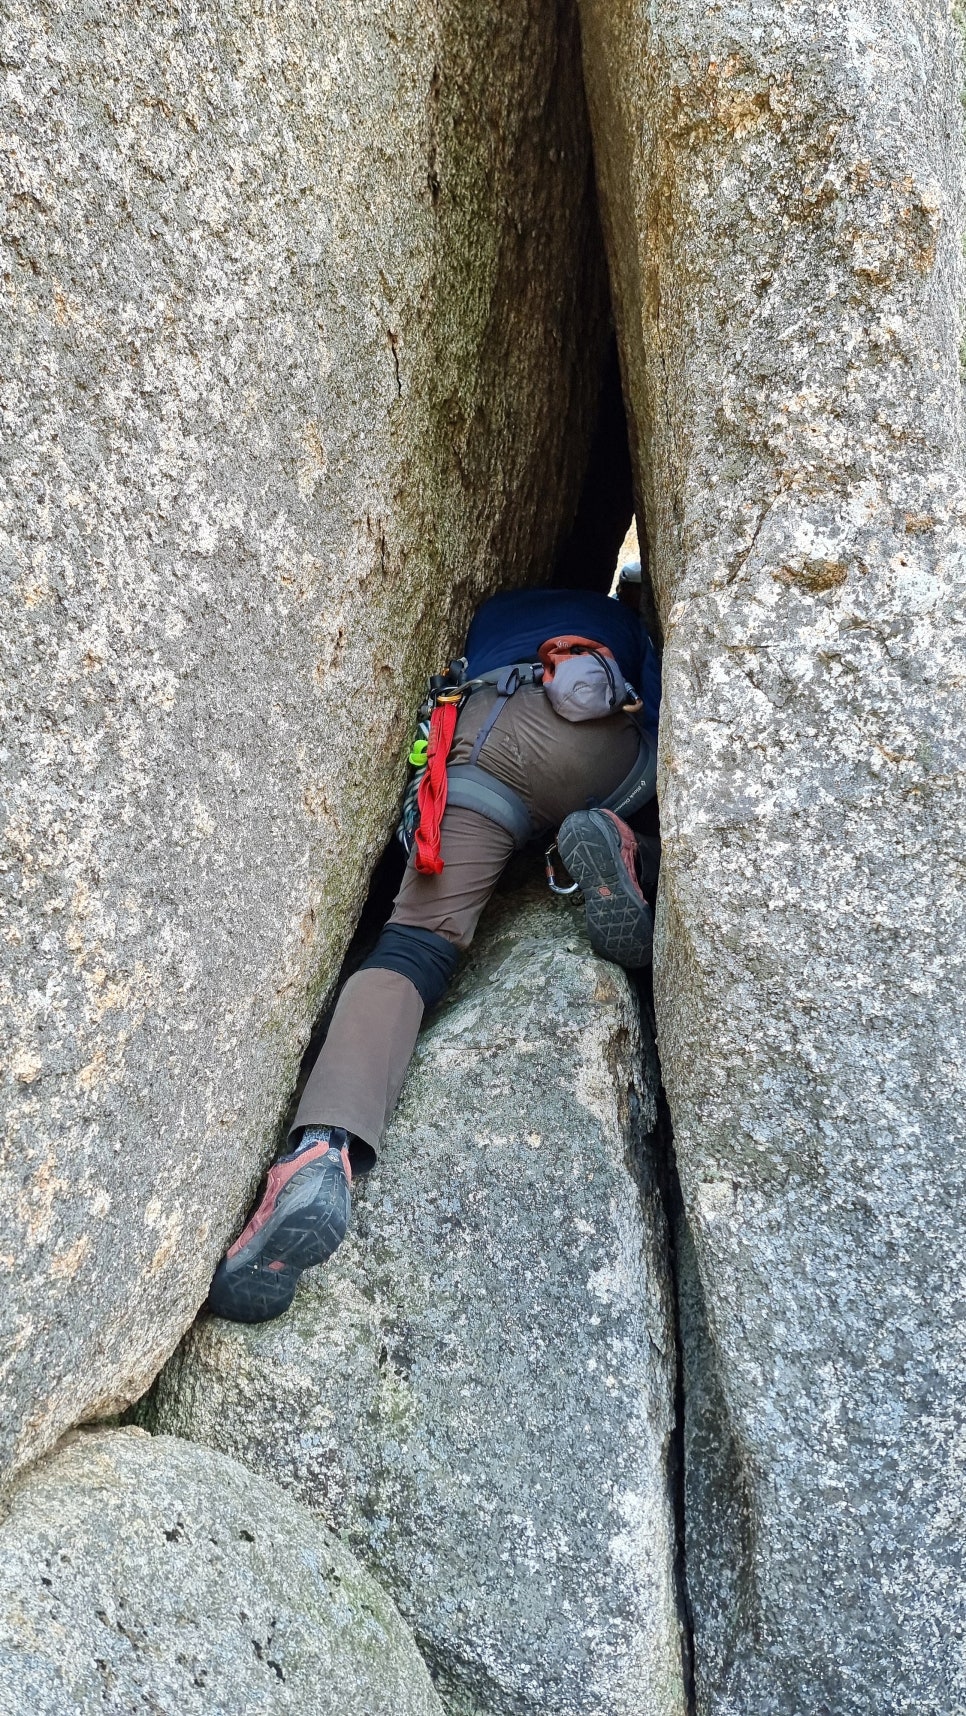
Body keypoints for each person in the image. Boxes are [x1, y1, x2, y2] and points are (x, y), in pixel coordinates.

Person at [209, 583, 660, 1323]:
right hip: (591, 751)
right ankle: (623, 847)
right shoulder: (622, 625)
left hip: (477, 740)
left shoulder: (500, 610)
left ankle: (323, 1147)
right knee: (674, 801)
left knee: (413, 946)